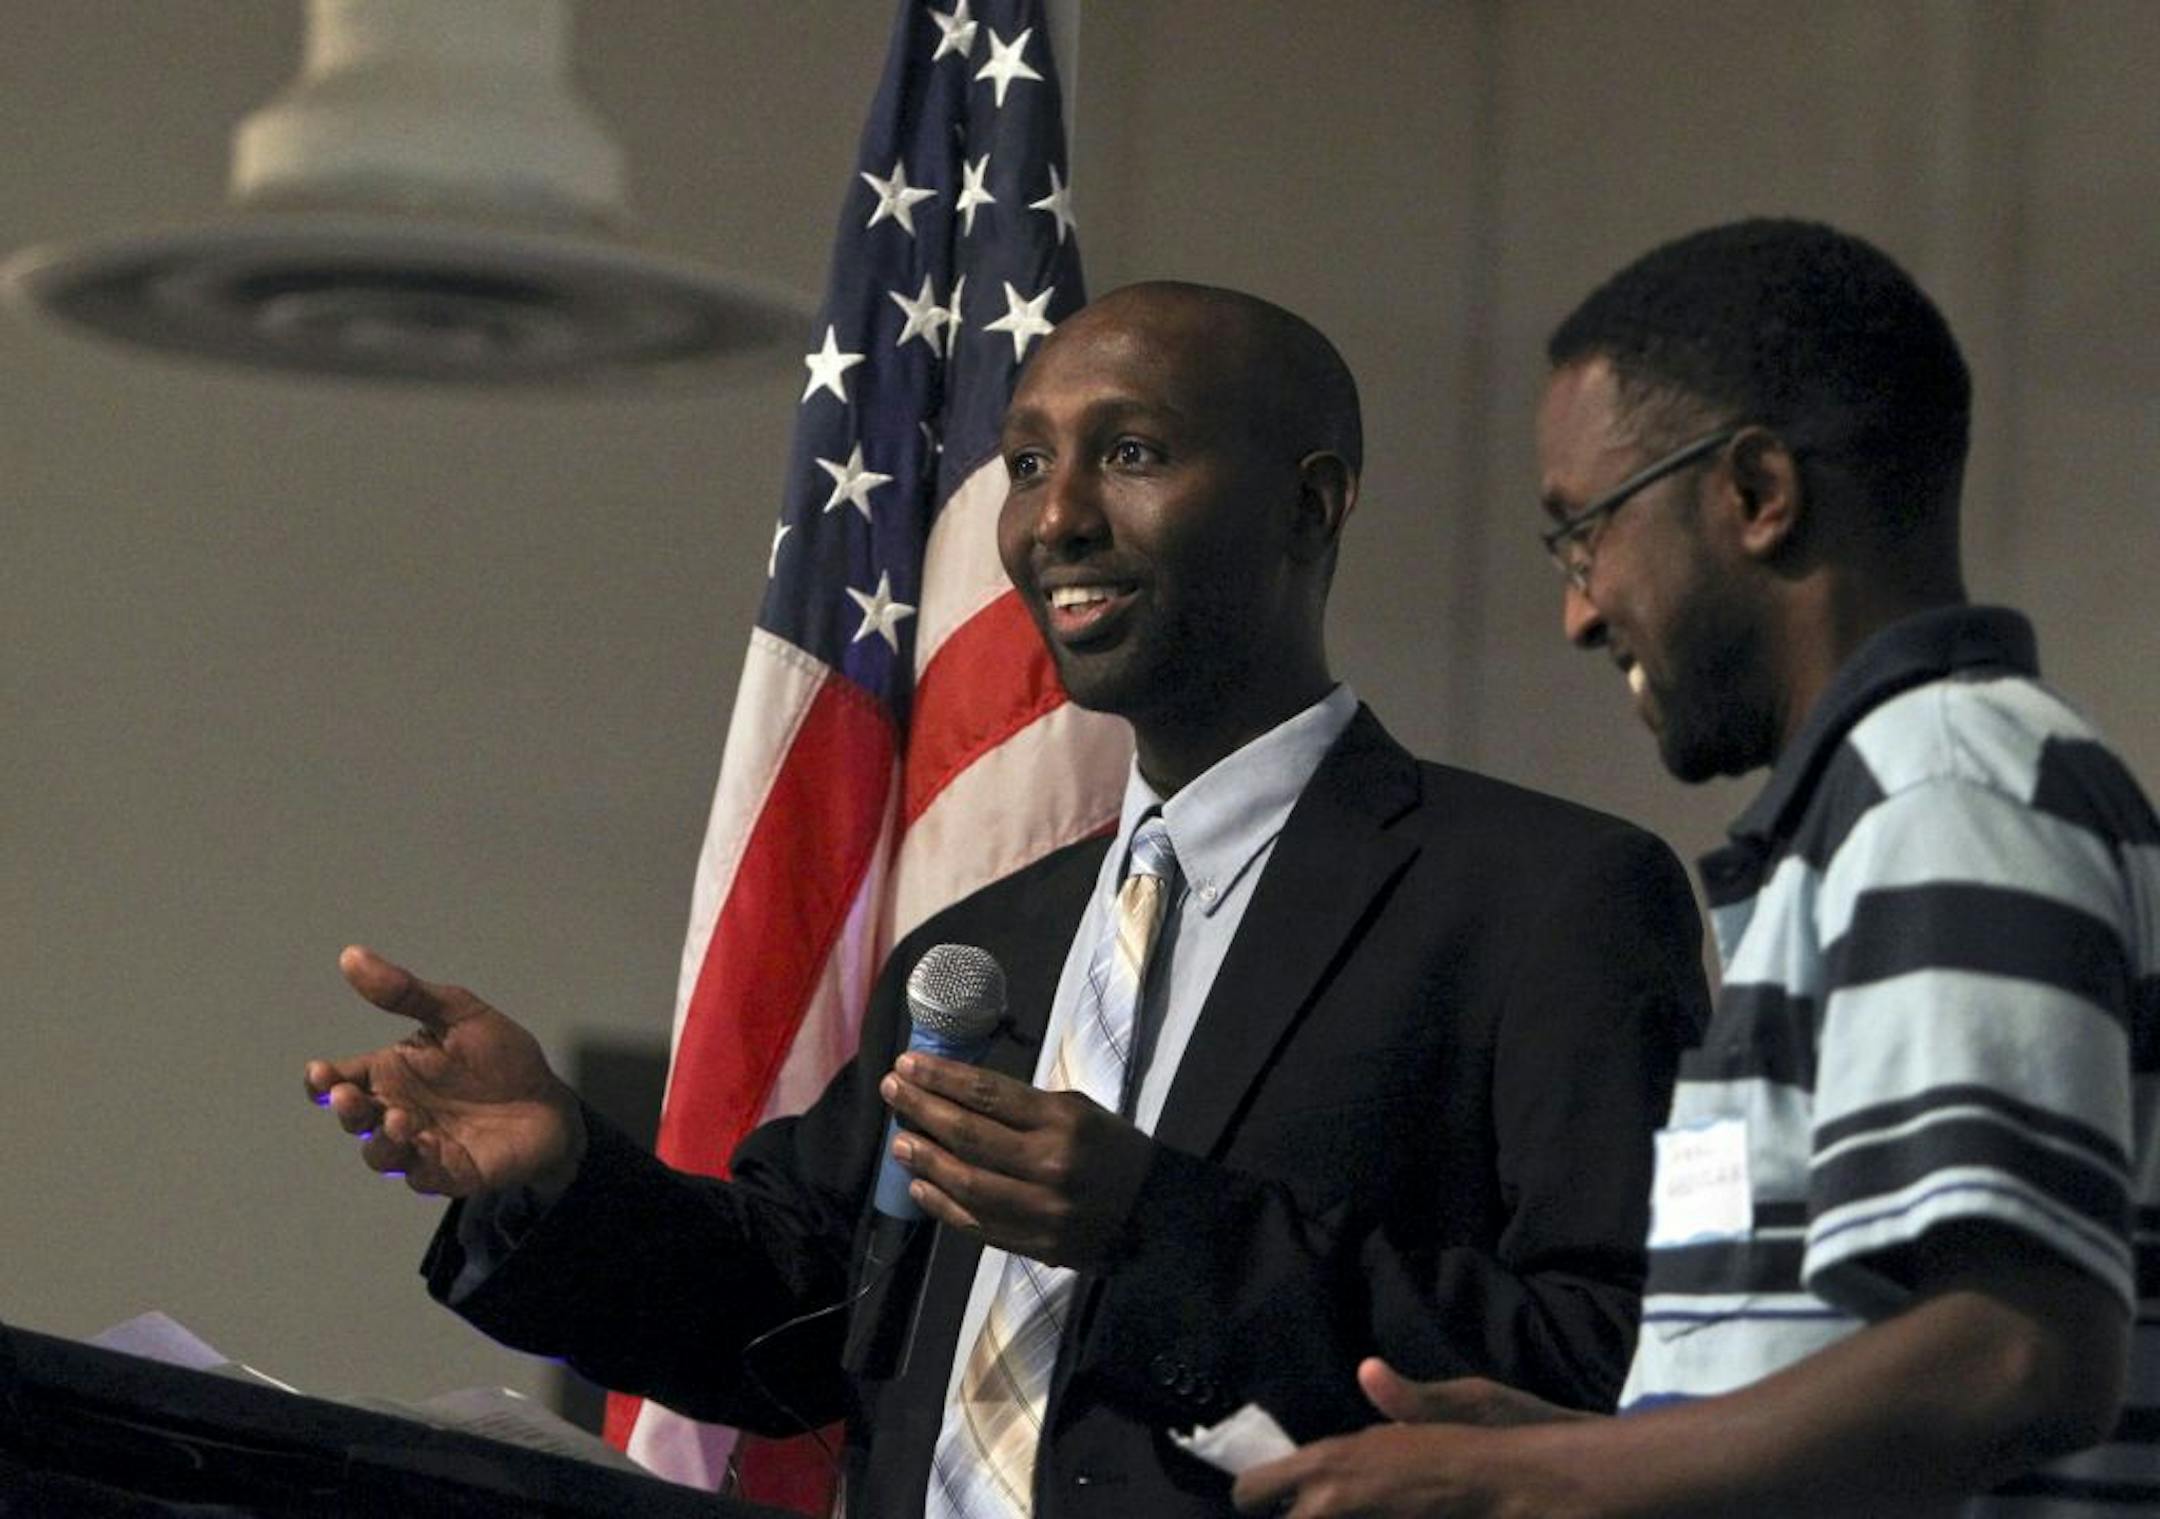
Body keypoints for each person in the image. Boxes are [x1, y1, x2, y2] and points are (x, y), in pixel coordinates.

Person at [306, 281, 1709, 1518]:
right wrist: (561, 1171)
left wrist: (1157, 1227)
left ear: (1313, 500)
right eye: (1028, 463)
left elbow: (1621, 1365)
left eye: (1135, 454)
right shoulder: (987, 948)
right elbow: (808, 1314)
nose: (1057, 519)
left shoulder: (1543, 899)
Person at [1234, 220, 2157, 1518]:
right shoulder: (1874, 813)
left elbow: (2019, 1352)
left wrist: (1541, 1477)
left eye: (1584, 531)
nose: (1578, 609)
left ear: (1756, 495)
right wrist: (1605, 1432)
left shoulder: (1942, 787)